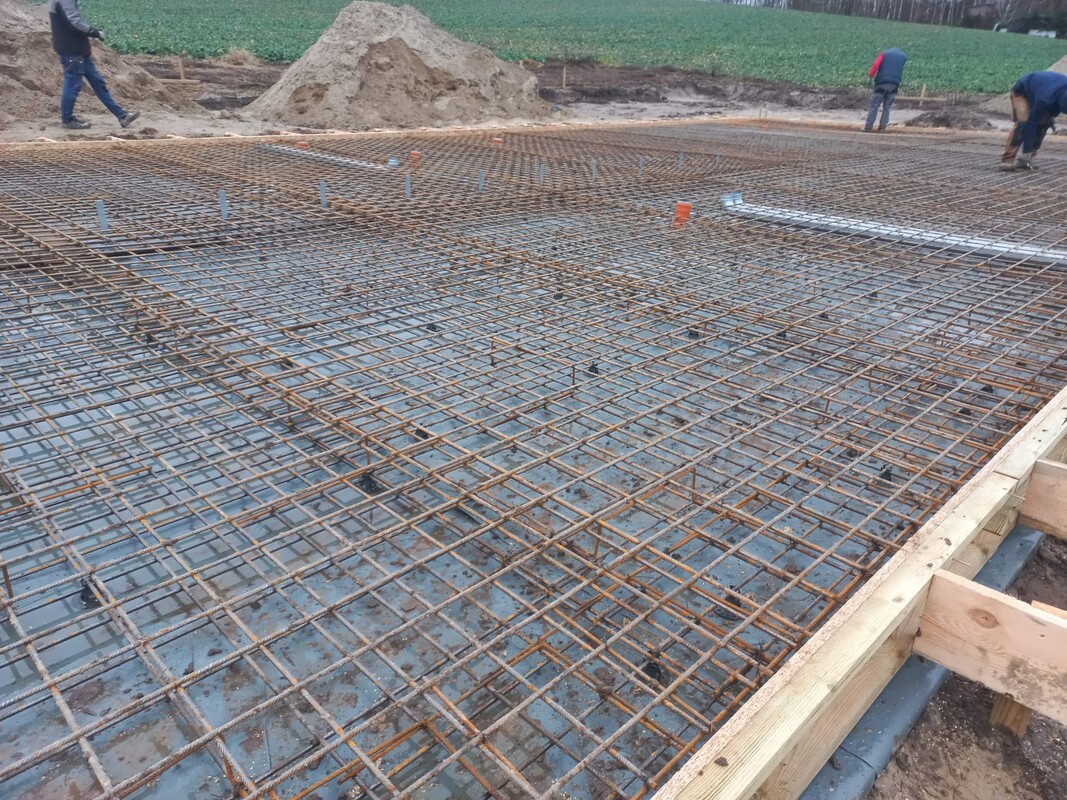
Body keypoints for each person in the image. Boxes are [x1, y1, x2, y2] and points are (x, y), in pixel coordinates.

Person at [48, 0, 140, 130]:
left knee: (98, 82)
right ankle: (67, 120)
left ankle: (122, 116)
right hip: (72, 51)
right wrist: (94, 32)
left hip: (78, 51)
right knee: (72, 85)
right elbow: (75, 23)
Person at [1000, 71, 1067, 171]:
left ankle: (1024, 161)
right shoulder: (1044, 100)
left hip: (1043, 89)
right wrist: (1026, 150)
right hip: (1021, 90)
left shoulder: (1058, 98)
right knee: (1023, 123)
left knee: (1044, 123)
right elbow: (1031, 123)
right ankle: (1007, 160)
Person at [864, 48, 907, 132]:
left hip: (881, 83)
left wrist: (870, 75)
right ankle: (882, 127)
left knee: (874, 106)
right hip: (894, 84)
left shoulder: (884, 54)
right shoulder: (903, 57)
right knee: (887, 107)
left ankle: (868, 126)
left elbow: (875, 65)